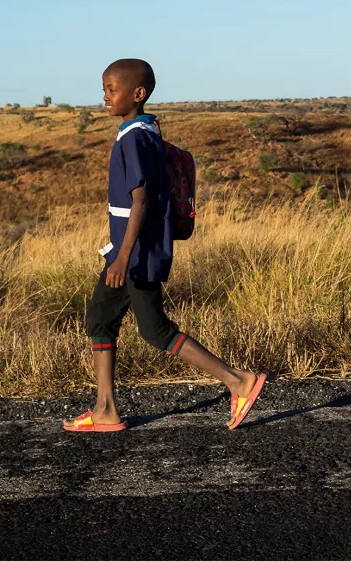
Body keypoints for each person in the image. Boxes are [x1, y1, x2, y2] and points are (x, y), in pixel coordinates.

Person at [63, 58, 266, 432]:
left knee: (154, 330)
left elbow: (140, 201)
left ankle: (239, 381)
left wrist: (123, 258)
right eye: (104, 89)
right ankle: (105, 409)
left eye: (112, 90)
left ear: (137, 94)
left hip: (135, 253)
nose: (105, 97)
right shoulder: (142, 130)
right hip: (131, 249)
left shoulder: (136, 138)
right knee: (100, 317)